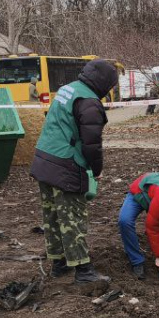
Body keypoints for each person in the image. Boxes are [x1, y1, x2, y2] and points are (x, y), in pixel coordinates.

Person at [29, 58, 119, 284]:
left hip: (44, 158)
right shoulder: (89, 102)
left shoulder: (67, 89)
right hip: (65, 164)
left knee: (52, 214)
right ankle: (83, 270)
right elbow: (91, 144)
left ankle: (59, 264)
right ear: (104, 83)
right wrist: (96, 170)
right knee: (72, 217)